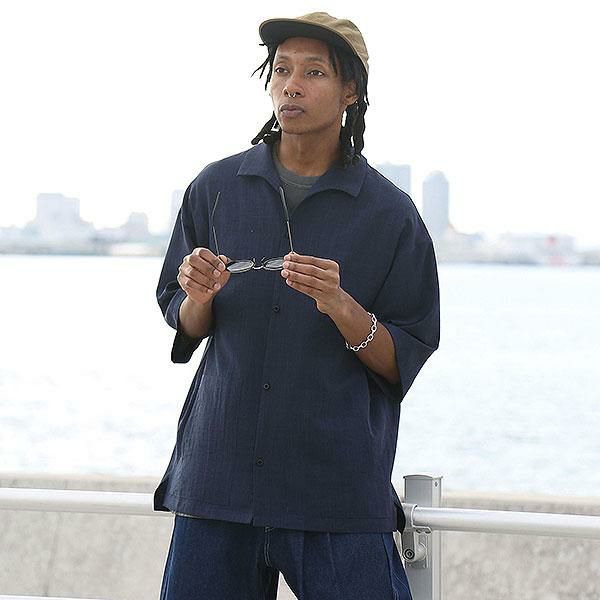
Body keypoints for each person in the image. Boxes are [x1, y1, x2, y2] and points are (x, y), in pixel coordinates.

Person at [155, 11, 440, 600]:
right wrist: (199, 298)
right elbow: (183, 321)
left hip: (334, 494)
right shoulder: (215, 188)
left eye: (314, 72)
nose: (292, 85)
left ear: (350, 91)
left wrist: (340, 305)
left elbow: (402, 359)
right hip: (218, 485)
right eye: (282, 70)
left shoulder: (391, 215)